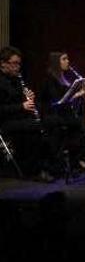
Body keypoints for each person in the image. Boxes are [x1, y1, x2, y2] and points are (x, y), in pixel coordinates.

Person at [0, 46, 56, 182]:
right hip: (5, 122)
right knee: (37, 127)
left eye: (19, 63)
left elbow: (21, 101)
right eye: (14, 63)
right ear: (3, 63)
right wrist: (21, 106)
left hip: (20, 119)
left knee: (49, 122)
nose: (17, 67)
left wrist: (28, 98)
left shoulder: (17, 79)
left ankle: (49, 166)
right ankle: (34, 170)